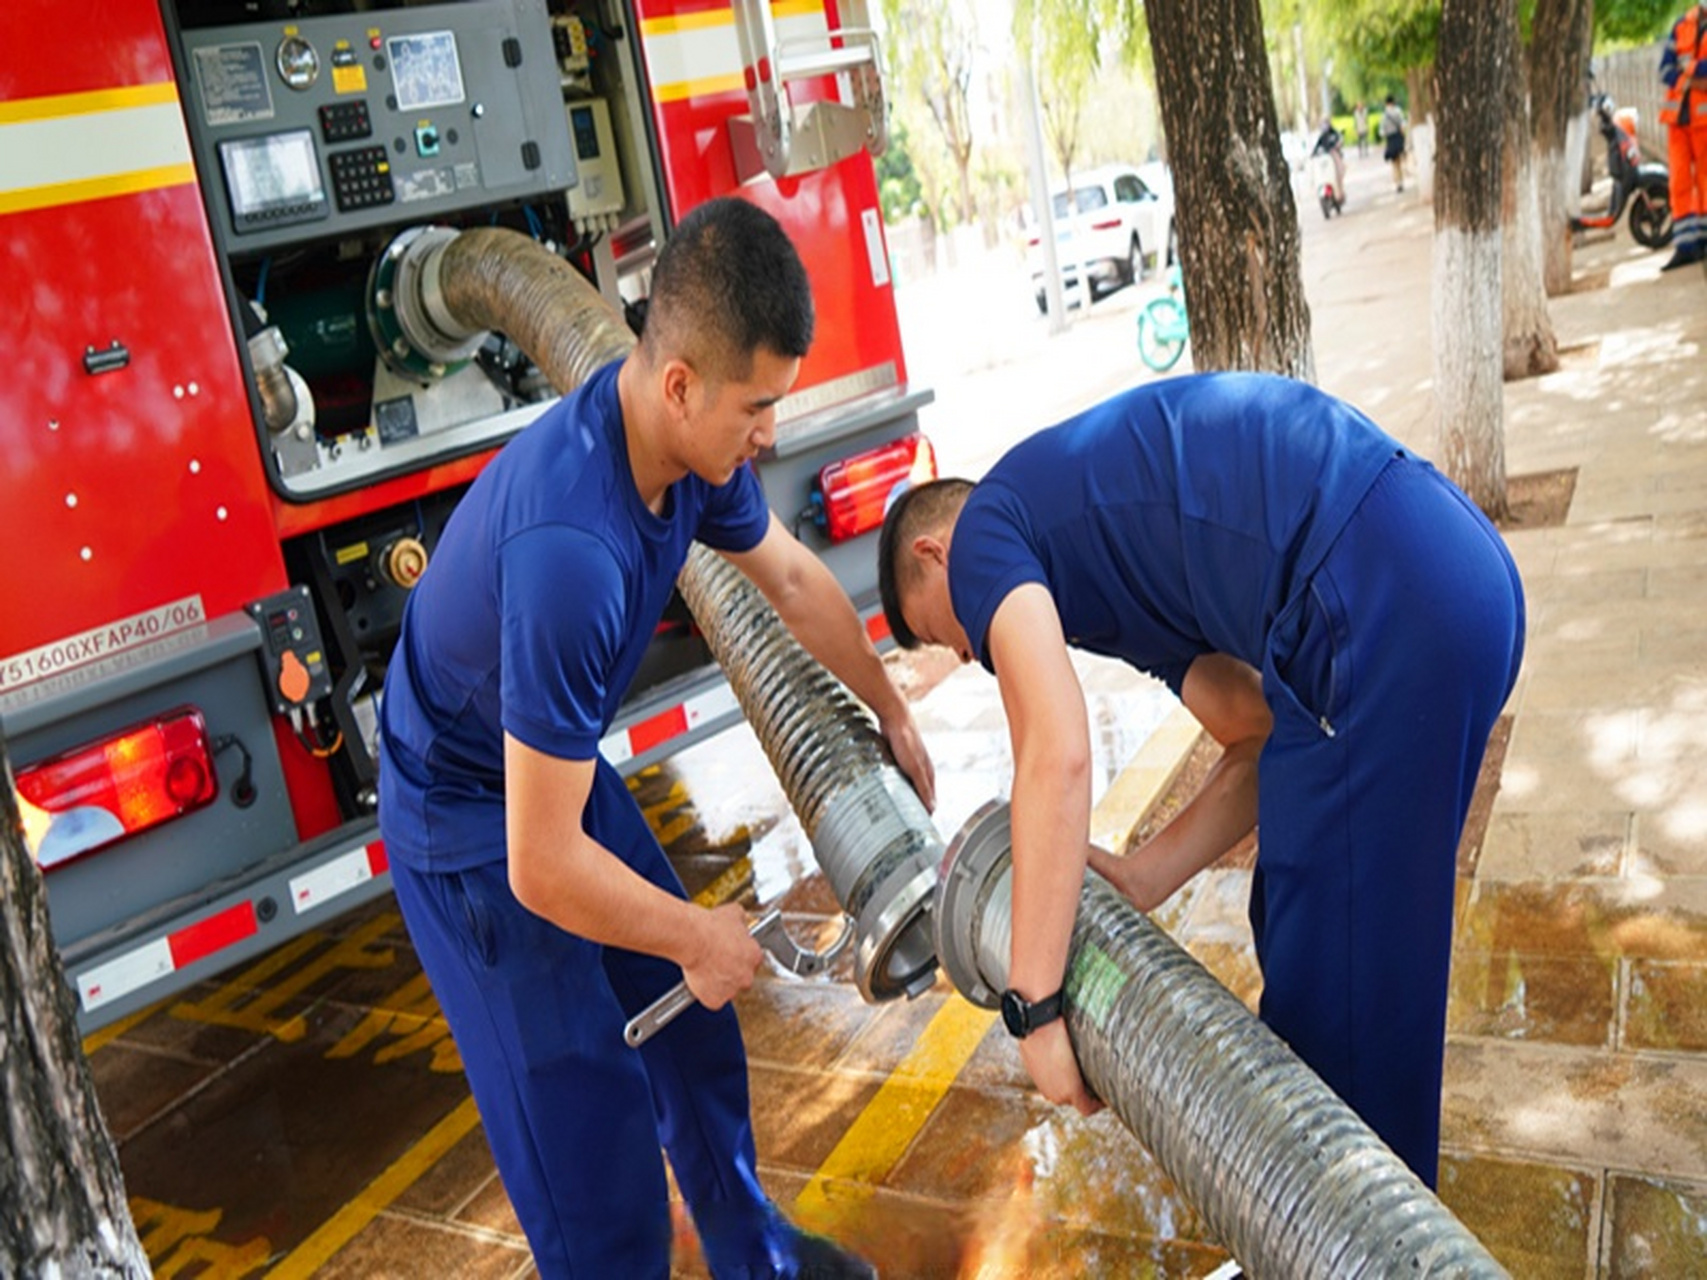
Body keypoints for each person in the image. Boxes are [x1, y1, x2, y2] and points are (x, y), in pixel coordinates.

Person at [379, 196, 935, 1278]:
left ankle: (755, 1255)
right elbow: (541, 865)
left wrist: (890, 702)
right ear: (679, 384)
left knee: (690, 1030)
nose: (770, 433)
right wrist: (690, 932)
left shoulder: (683, 457)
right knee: (589, 1142)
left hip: (542, 770)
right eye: (757, 406)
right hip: (467, 824)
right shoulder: (571, 554)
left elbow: (791, 579)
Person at [877, 374, 1524, 1190]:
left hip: (1378, 597)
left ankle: (1349, 1242)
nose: (974, 650)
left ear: (935, 553)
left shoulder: (984, 533)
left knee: (1334, 1036)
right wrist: (1143, 875)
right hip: (1452, 571)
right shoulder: (1102, 569)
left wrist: (1031, 1008)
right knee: (1353, 972)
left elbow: (1054, 750)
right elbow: (1255, 735)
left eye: (950, 635)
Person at [1660, 1, 1707, 269]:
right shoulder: (1681, 25)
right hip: (1677, 118)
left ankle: (1703, 239)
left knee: (1705, 180)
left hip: (1704, 121)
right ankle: (1685, 245)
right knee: (1678, 181)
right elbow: (1665, 70)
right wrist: (1693, 78)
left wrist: (1687, 67)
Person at [1312, 117, 1347, 200]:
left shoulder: (1334, 134)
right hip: (1326, 159)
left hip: (1335, 157)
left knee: (1338, 175)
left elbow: (1340, 141)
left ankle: (1340, 193)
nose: (1325, 126)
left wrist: (1337, 146)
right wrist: (1314, 154)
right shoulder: (1322, 136)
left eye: (1326, 123)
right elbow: (1317, 147)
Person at [1381, 94, 1408, 192]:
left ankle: (1397, 183)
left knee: (1394, 163)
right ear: (1393, 102)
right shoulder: (1398, 111)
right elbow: (1403, 124)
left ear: (1386, 103)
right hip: (1398, 137)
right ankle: (1401, 181)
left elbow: (1382, 131)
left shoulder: (1384, 115)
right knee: (1399, 161)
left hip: (1390, 140)